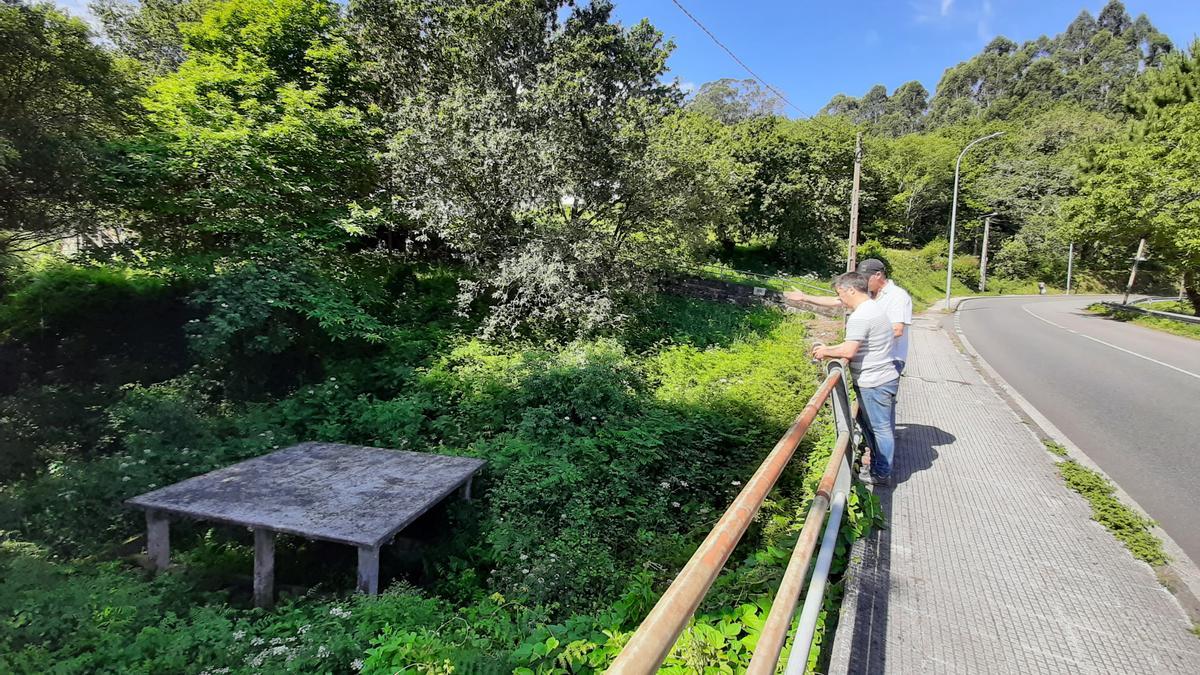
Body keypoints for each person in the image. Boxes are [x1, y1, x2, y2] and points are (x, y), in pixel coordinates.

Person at [802, 272, 898, 486]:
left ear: (851, 290)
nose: (840, 299)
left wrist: (826, 350)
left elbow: (849, 349)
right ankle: (878, 467)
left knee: (880, 428)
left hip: (875, 381)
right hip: (881, 377)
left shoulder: (861, 316)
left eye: (840, 294)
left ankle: (881, 473)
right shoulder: (873, 307)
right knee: (874, 426)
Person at [784, 258, 913, 374]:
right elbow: (837, 300)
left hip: (889, 360)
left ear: (878, 275)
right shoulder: (867, 294)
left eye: (866, 278)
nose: (863, 281)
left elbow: (897, 329)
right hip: (868, 360)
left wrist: (853, 343)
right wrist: (804, 297)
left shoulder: (897, 296)